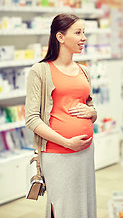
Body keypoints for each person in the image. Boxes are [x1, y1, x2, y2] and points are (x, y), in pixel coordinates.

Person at [25, 13, 97, 218]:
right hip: (58, 153)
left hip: (84, 152)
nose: (83, 38)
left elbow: (90, 106)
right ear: (60, 37)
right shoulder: (40, 71)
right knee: (63, 206)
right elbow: (31, 118)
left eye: (84, 32)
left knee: (84, 204)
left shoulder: (84, 71)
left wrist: (92, 113)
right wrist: (67, 142)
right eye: (78, 32)